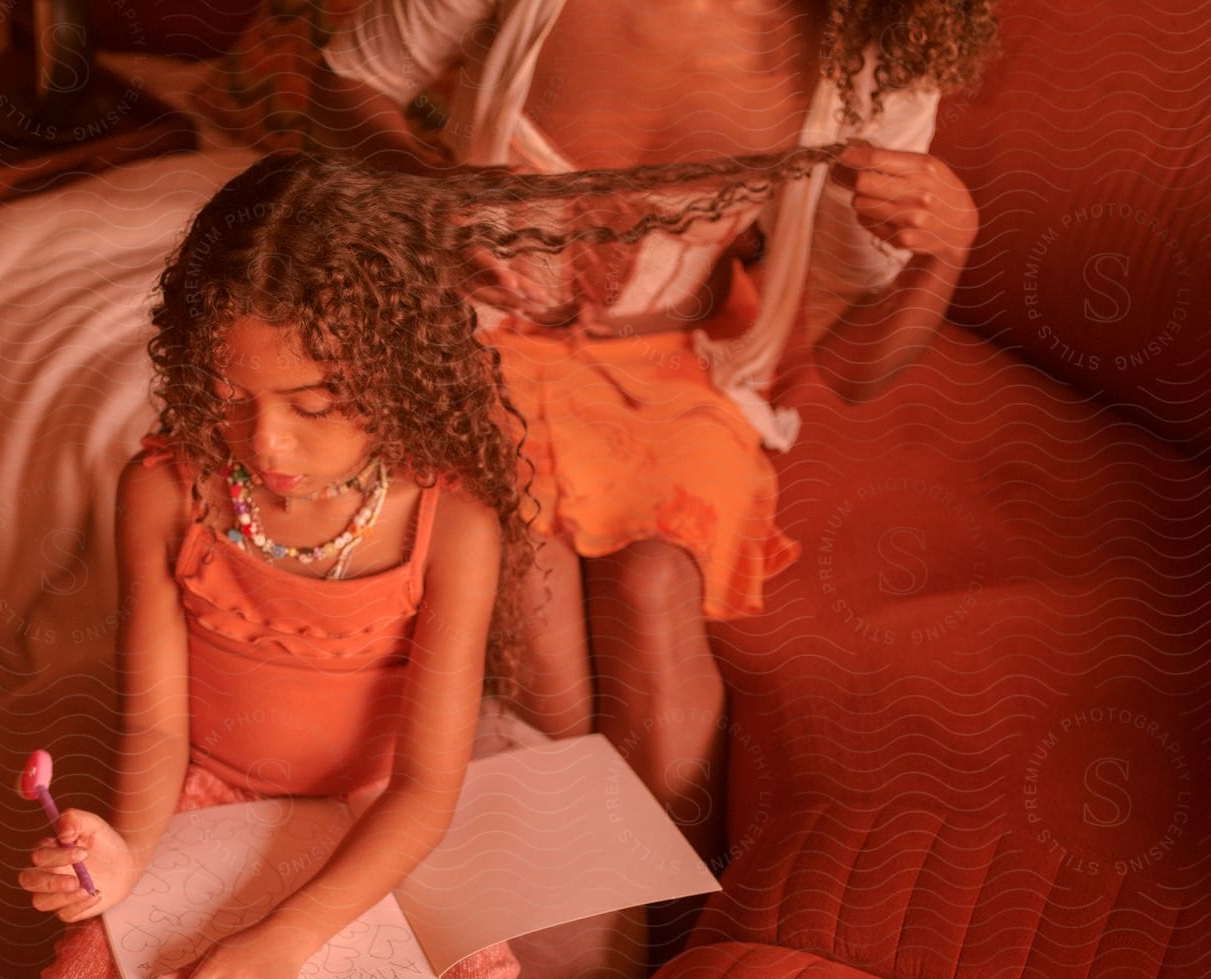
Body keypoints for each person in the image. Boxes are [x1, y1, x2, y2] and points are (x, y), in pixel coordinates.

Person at [15, 153, 585, 979]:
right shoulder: (164, 490)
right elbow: (157, 726)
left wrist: (284, 940)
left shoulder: (457, 516)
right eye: (230, 397)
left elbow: (429, 785)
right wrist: (124, 860)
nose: (265, 441)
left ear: (396, 371)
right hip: (210, 794)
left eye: (315, 403)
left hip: (386, 817)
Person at [313, 0, 997, 872]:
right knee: (533, 577)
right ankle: (581, 922)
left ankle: (669, 933)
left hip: (669, 376)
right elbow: (344, 86)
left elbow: (856, 364)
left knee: (653, 584)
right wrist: (419, 191)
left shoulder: (871, 51)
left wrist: (947, 252)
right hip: (474, 331)